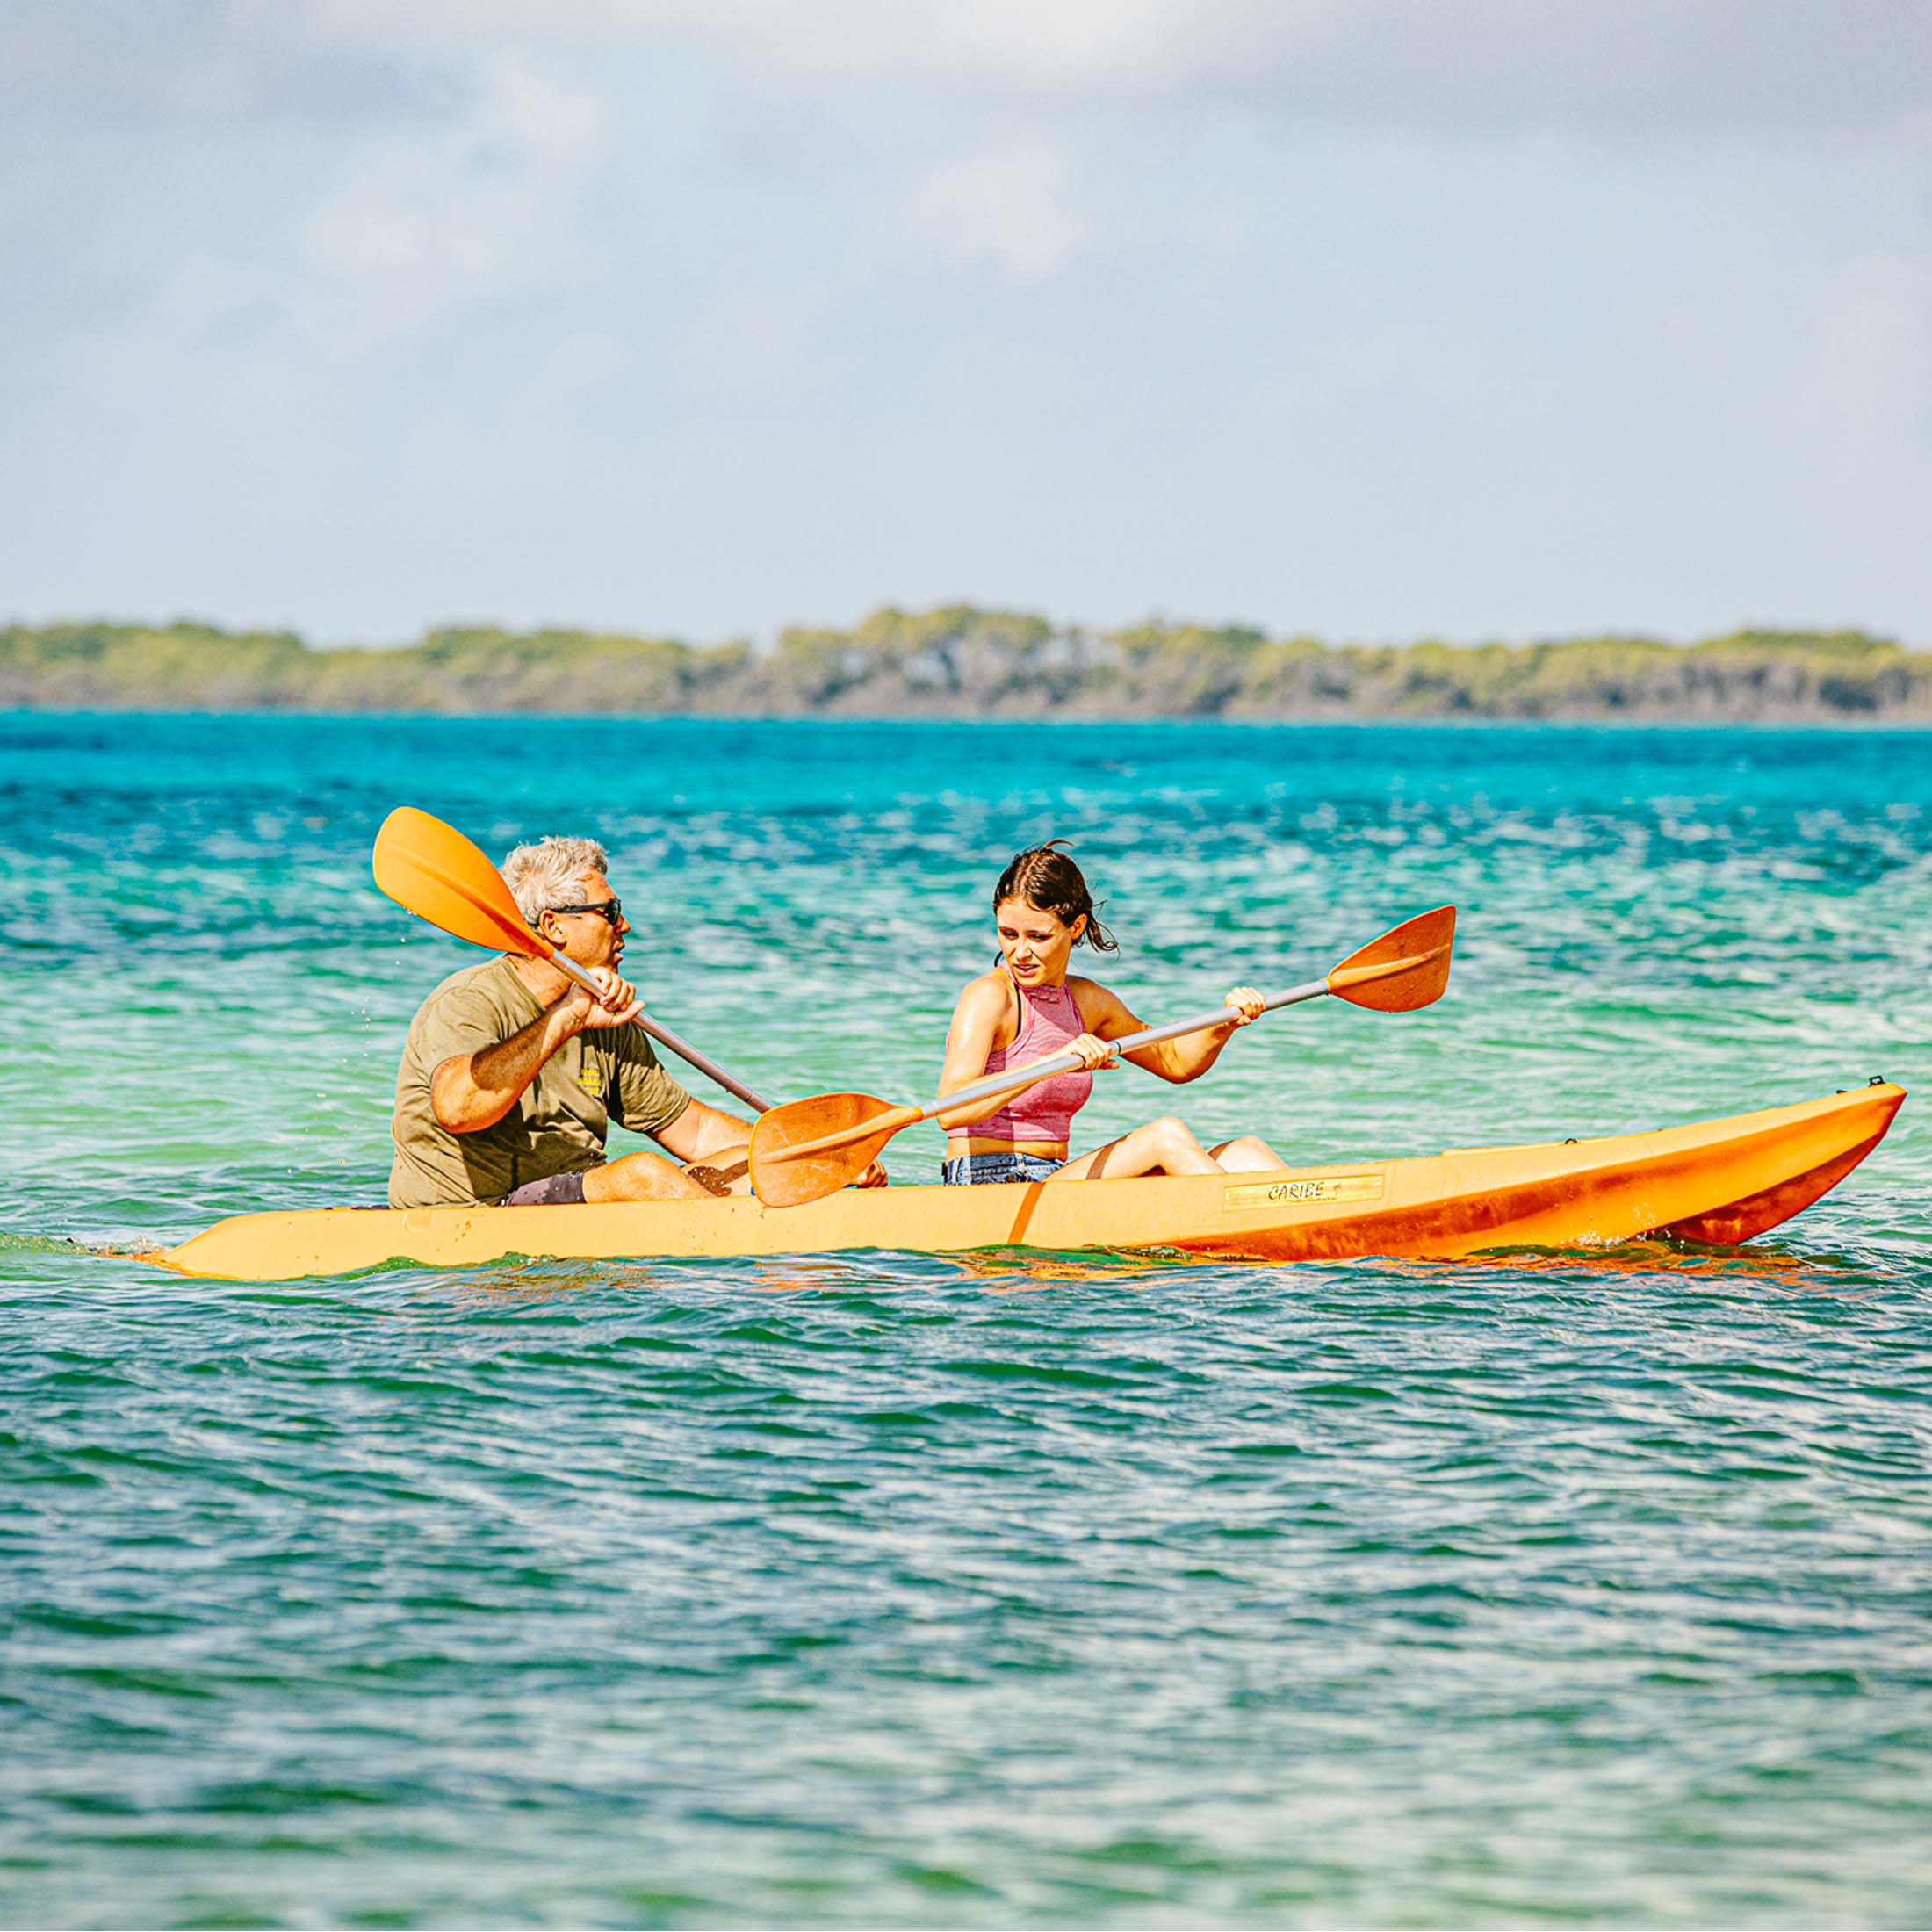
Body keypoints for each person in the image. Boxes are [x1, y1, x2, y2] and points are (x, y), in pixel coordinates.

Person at [389, 834, 758, 1208]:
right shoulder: (468, 1000)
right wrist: (568, 1017)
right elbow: (458, 1111)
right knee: (643, 1174)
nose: (625, 925)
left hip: (572, 1196)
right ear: (554, 926)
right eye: (610, 912)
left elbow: (694, 1132)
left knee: (756, 1164)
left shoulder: (608, 1013)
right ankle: (744, 1257)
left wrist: (790, 1141)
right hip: (478, 1210)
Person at [936, 841, 1287, 1186]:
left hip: (1051, 1177)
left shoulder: (1087, 1000)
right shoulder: (990, 996)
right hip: (988, 1181)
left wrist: (1226, 1022)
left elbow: (1174, 1062)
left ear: (1075, 927)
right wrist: (1050, 1062)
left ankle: (1318, 1227)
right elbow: (951, 1110)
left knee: (1245, 1152)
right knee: (1164, 1136)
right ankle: (1241, 1219)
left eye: (1038, 937)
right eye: (1008, 934)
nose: (1020, 952)